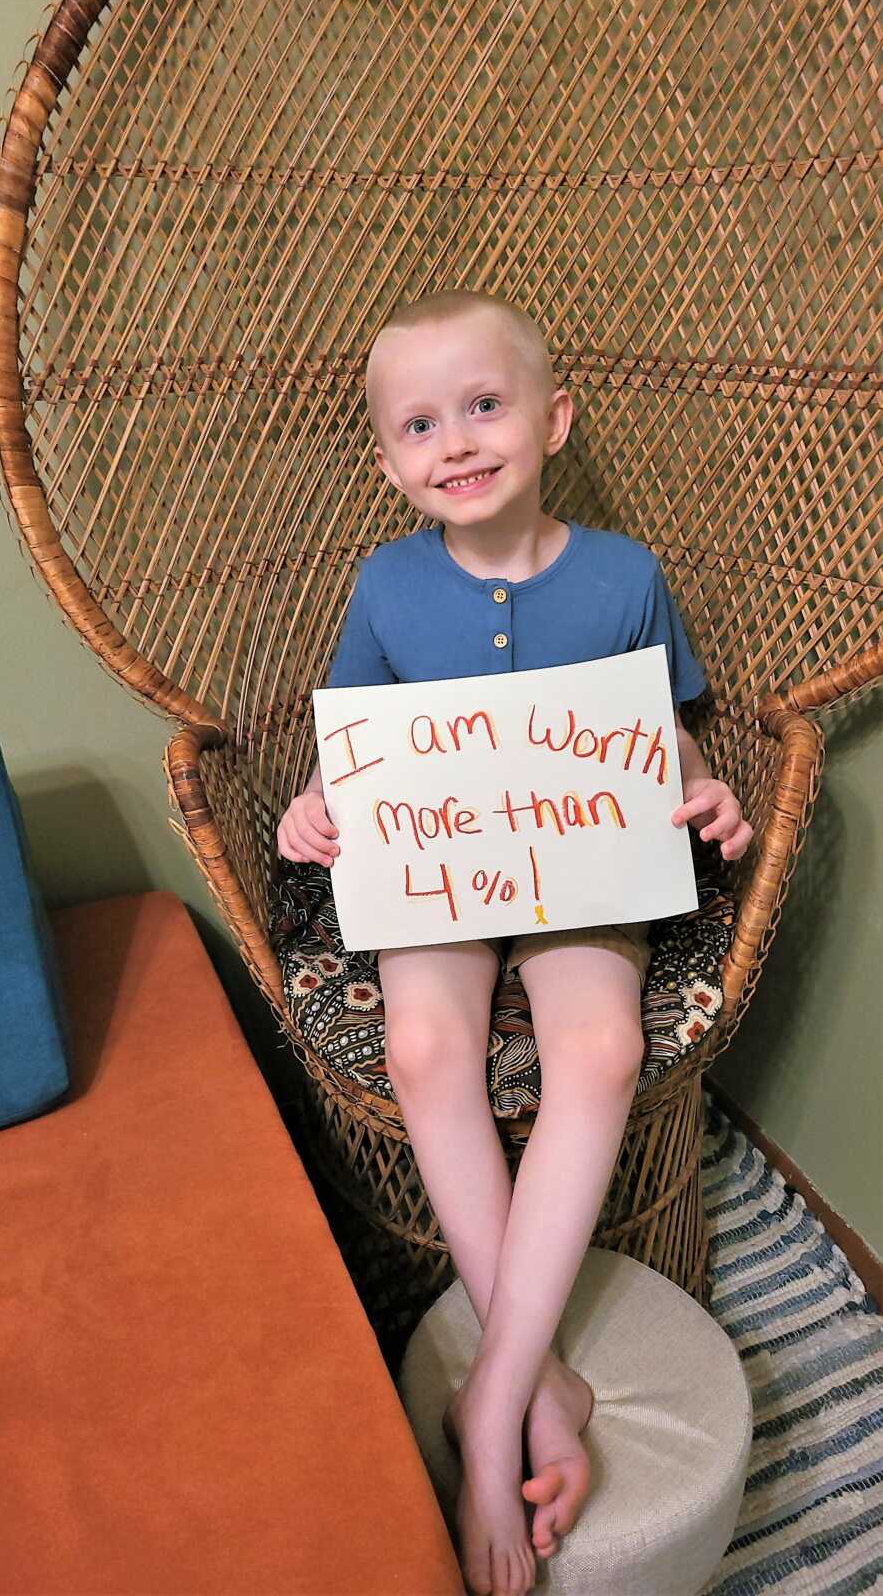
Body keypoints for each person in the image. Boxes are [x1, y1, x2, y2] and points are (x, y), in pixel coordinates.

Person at [276, 289, 752, 1596]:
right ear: (390, 461)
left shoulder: (625, 575)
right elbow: (354, 752)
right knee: (428, 1045)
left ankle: (491, 1401)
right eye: (421, 424)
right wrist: (314, 811)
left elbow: (667, 733)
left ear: (554, 418)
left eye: (484, 406)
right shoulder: (385, 582)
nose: (459, 440)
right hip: (436, 879)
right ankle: (537, 1382)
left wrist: (705, 788)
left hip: (585, 867)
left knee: (596, 1050)